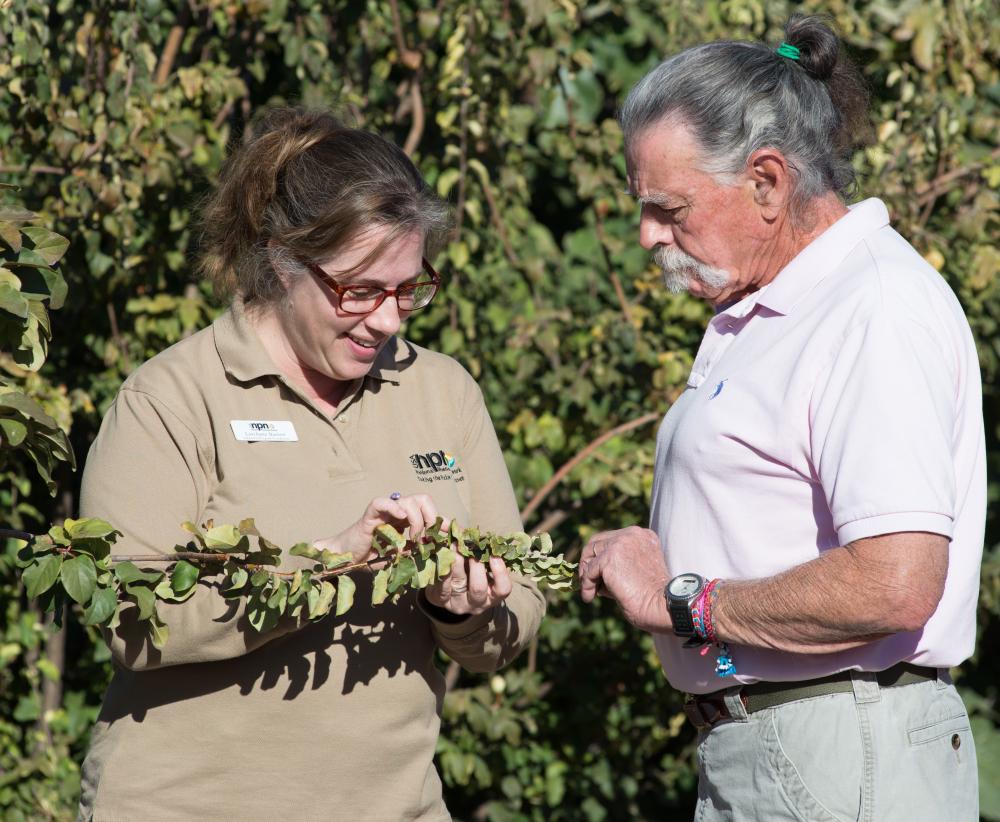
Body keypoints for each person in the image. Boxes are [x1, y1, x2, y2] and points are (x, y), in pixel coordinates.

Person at [78, 107, 544, 821]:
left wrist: (457, 604)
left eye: (408, 289)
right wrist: (327, 563)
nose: (388, 320)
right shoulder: (170, 399)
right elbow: (128, 621)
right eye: (360, 290)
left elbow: (514, 618)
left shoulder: (442, 391)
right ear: (281, 258)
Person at [578, 14, 983, 821]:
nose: (648, 235)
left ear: (767, 182)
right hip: (798, 749)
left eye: (668, 207)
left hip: (838, 752)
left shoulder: (872, 306)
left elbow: (896, 582)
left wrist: (680, 602)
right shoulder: (782, 303)